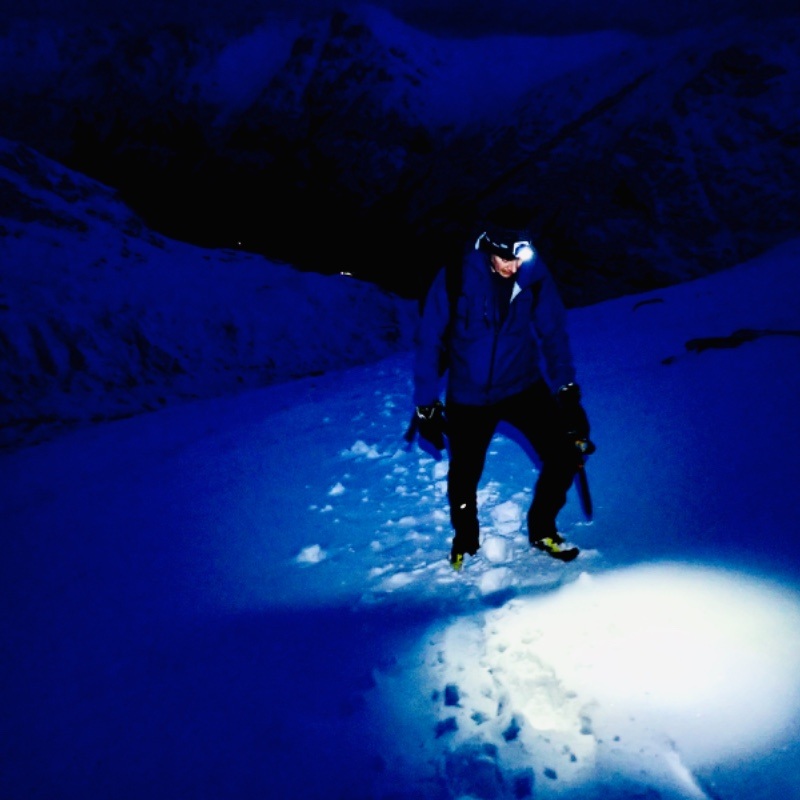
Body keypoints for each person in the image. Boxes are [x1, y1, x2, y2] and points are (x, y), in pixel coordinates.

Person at [411, 207, 593, 570]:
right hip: (469, 396)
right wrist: (426, 404)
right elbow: (429, 340)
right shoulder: (456, 278)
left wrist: (567, 390)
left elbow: (553, 334)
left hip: (523, 384)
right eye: (504, 258)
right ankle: (466, 538)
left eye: (519, 257)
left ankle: (542, 528)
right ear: (487, 248)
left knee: (564, 456)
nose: (512, 266)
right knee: (464, 474)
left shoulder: (534, 278)